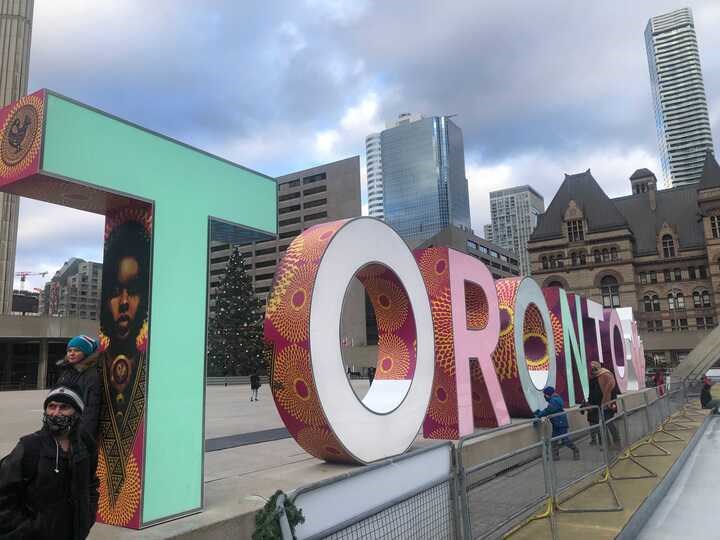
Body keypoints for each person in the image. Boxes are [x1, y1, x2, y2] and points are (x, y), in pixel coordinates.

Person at [0, 385, 99, 539]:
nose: (56, 413)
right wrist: (26, 530)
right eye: (51, 407)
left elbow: (91, 483)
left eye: (64, 407)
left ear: (77, 412)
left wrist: (87, 516)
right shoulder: (30, 446)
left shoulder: (85, 444)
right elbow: (4, 495)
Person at [56, 335, 101, 442]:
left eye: (77, 350)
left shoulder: (91, 376)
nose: (71, 353)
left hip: (77, 431)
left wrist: (81, 438)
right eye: (69, 350)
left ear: (86, 353)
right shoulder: (66, 372)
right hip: (62, 426)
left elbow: (91, 410)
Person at [534, 386, 580, 461]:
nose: (544, 397)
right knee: (554, 440)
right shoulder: (555, 399)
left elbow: (549, 410)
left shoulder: (554, 400)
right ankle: (555, 456)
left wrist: (539, 415)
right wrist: (539, 413)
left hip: (561, 423)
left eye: (545, 395)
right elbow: (549, 410)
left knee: (564, 440)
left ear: (547, 394)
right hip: (556, 423)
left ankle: (575, 450)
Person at [590, 361, 621, 448]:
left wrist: (610, 402)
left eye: (593, 367)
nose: (592, 369)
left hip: (607, 405)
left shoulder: (605, 375)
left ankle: (617, 442)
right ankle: (608, 444)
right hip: (598, 405)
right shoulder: (594, 377)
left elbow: (611, 391)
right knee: (603, 425)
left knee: (609, 423)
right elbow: (593, 392)